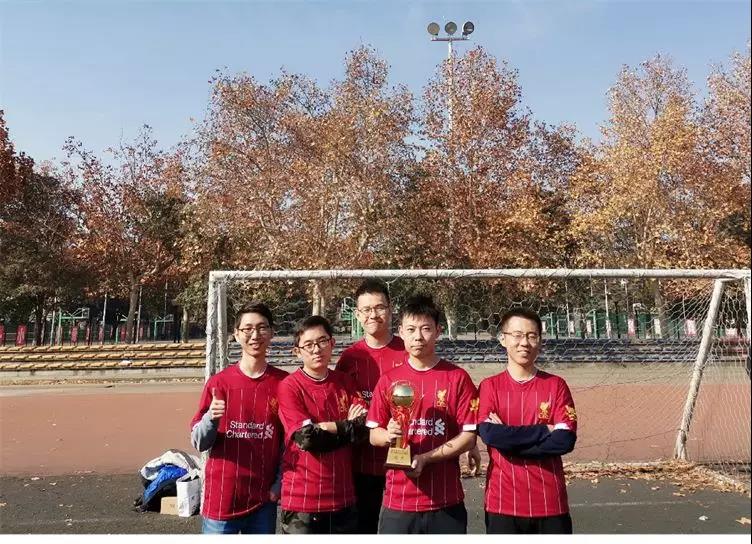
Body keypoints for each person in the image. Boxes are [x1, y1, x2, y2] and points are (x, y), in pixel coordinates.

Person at [367, 294, 479, 534]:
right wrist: (388, 435)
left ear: (438, 331)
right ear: (401, 332)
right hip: (398, 502)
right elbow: (374, 434)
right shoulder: (388, 380)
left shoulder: (457, 378)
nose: (418, 336)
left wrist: (427, 458)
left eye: (426, 328)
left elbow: (469, 437)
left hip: (445, 501)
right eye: (411, 329)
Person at [190, 302, 288, 534]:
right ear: (236, 334)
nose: (255, 335)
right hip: (222, 500)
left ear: (271, 332)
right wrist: (211, 419)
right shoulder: (219, 383)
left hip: (263, 499)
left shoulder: (284, 384)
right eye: (248, 329)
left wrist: (279, 483)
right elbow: (199, 442)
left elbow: (289, 442)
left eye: (262, 328)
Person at [477, 308, 578, 534]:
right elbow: (490, 435)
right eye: (517, 335)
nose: (524, 342)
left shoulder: (556, 386)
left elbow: (564, 440)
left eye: (532, 336)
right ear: (503, 339)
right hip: (502, 503)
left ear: (540, 341)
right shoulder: (489, 387)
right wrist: (544, 431)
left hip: (550, 502)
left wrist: (508, 442)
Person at [277, 315, 369, 534]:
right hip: (302, 502)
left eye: (322, 341)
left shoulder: (346, 382)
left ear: (332, 343)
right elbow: (307, 439)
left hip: (343, 499)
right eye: (308, 345)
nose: (316, 349)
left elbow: (364, 430)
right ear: (297, 351)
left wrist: (329, 427)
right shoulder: (289, 387)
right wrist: (346, 425)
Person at [335, 279, 407, 533]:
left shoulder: (408, 351)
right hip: (360, 464)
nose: (373, 315)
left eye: (379, 307)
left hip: (403, 462)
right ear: (357, 314)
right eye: (366, 309)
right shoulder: (350, 358)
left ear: (390, 309)